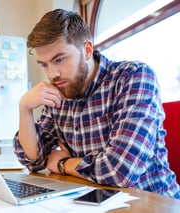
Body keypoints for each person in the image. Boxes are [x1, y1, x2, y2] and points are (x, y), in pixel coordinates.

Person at [13, 9, 180, 199]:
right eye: (44, 64)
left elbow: (119, 171)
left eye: (59, 59)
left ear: (87, 49)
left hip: (152, 202)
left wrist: (63, 164)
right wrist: (24, 108)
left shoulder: (133, 77)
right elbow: (35, 160)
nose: (52, 74)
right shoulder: (59, 89)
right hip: (94, 201)